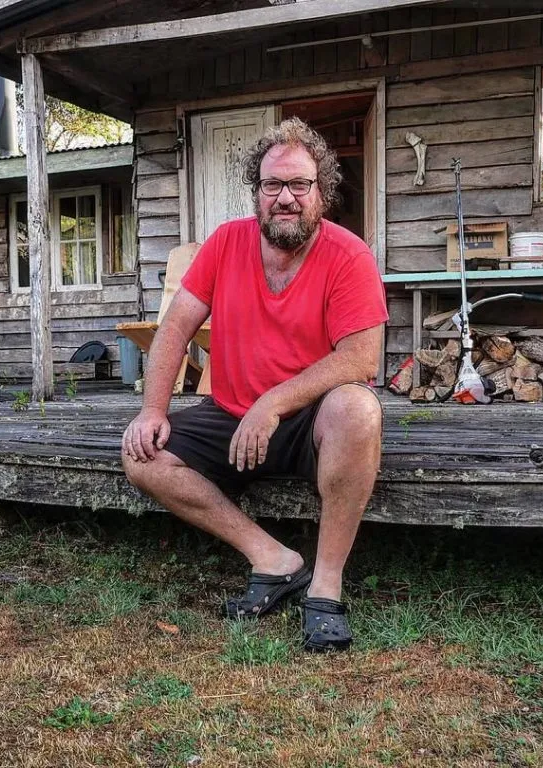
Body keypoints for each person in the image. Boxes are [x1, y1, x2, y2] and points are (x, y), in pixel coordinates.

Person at [122, 117, 388, 652]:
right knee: (141, 454)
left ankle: (326, 588)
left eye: (299, 185)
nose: (284, 197)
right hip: (231, 415)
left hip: (309, 422)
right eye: (272, 185)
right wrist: (153, 411)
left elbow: (362, 358)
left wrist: (273, 402)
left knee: (358, 409)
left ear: (322, 192)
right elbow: (174, 327)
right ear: (257, 192)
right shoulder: (225, 244)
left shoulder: (349, 254)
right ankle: (274, 559)